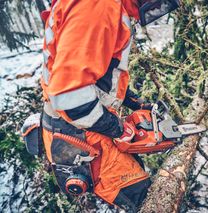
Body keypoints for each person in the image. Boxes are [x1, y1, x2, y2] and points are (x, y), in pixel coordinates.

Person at [39, 0, 180, 212]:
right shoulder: (97, 6)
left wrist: (132, 101)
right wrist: (118, 128)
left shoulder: (109, 6)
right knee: (147, 201)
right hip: (80, 135)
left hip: (83, 124)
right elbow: (69, 96)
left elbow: (96, 74)